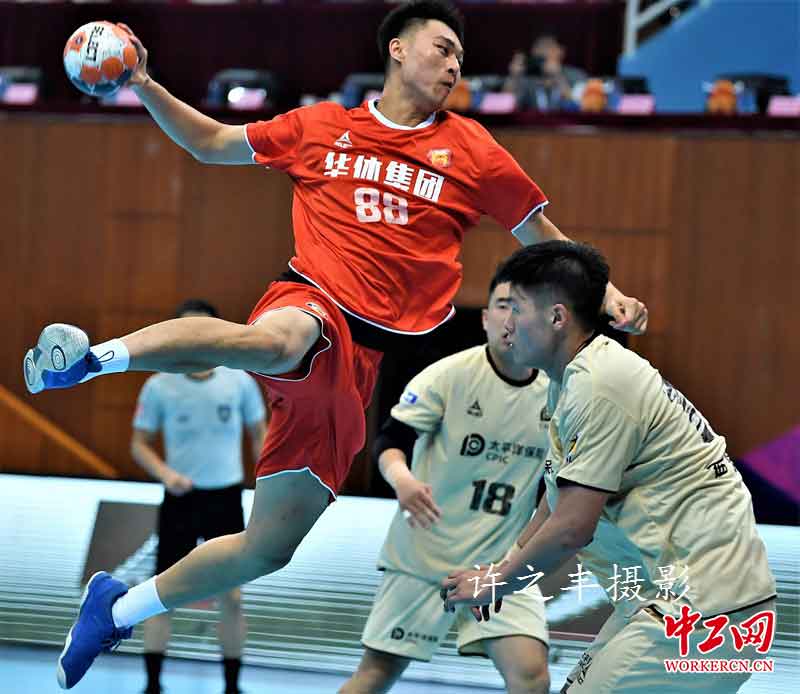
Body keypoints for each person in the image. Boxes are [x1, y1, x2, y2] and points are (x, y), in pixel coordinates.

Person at [22, 2, 646, 689]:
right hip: (313, 300)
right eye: (443, 49)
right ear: (399, 49)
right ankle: (92, 359)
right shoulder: (320, 127)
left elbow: (538, 231)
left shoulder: (471, 149)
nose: (454, 65)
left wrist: (604, 294)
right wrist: (144, 83)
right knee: (278, 339)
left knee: (268, 548)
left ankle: (116, 609)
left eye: (460, 58)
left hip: (363, 362)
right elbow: (211, 142)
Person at [442, 241, 777, 693]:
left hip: (700, 611)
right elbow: (557, 499)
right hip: (670, 605)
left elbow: (571, 528)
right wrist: (502, 570)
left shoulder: (599, 386)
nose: (507, 324)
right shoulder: (574, 379)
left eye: (516, 309)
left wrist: (497, 584)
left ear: (557, 317)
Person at [341, 277, 552, 694]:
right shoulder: (448, 375)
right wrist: (402, 481)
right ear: (485, 318)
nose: (511, 317)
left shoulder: (557, 394)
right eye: (503, 305)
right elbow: (390, 441)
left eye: (522, 307)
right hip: (425, 559)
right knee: (376, 675)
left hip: (499, 567)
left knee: (531, 677)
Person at [131, 299, 268, 694]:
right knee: (160, 595)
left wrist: (267, 483)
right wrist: (166, 475)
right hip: (181, 501)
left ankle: (232, 686)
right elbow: (139, 444)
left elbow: (260, 437)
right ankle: (152, 685)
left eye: (204, 330)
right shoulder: (159, 385)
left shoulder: (239, 380)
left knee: (233, 597)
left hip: (225, 500)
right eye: (186, 331)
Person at [503, 35, 587, 112]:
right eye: (539, 48)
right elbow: (507, 106)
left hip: (567, 123)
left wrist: (558, 76)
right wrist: (513, 77)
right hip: (532, 123)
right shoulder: (527, 78)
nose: (543, 52)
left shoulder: (576, 75)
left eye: (548, 47)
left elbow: (581, 106)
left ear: (561, 51)